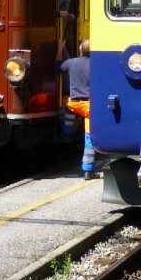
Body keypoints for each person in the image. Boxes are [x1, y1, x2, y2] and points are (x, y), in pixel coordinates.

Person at [56, 38, 95, 179]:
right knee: (89, 137)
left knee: (67, 104)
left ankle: (66, 131)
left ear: (80, 50)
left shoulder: (71, 62)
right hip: (90, 107)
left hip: (75, 104)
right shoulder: (96, 65)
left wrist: (60, 49)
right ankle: (88, 171)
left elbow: (57, 67)